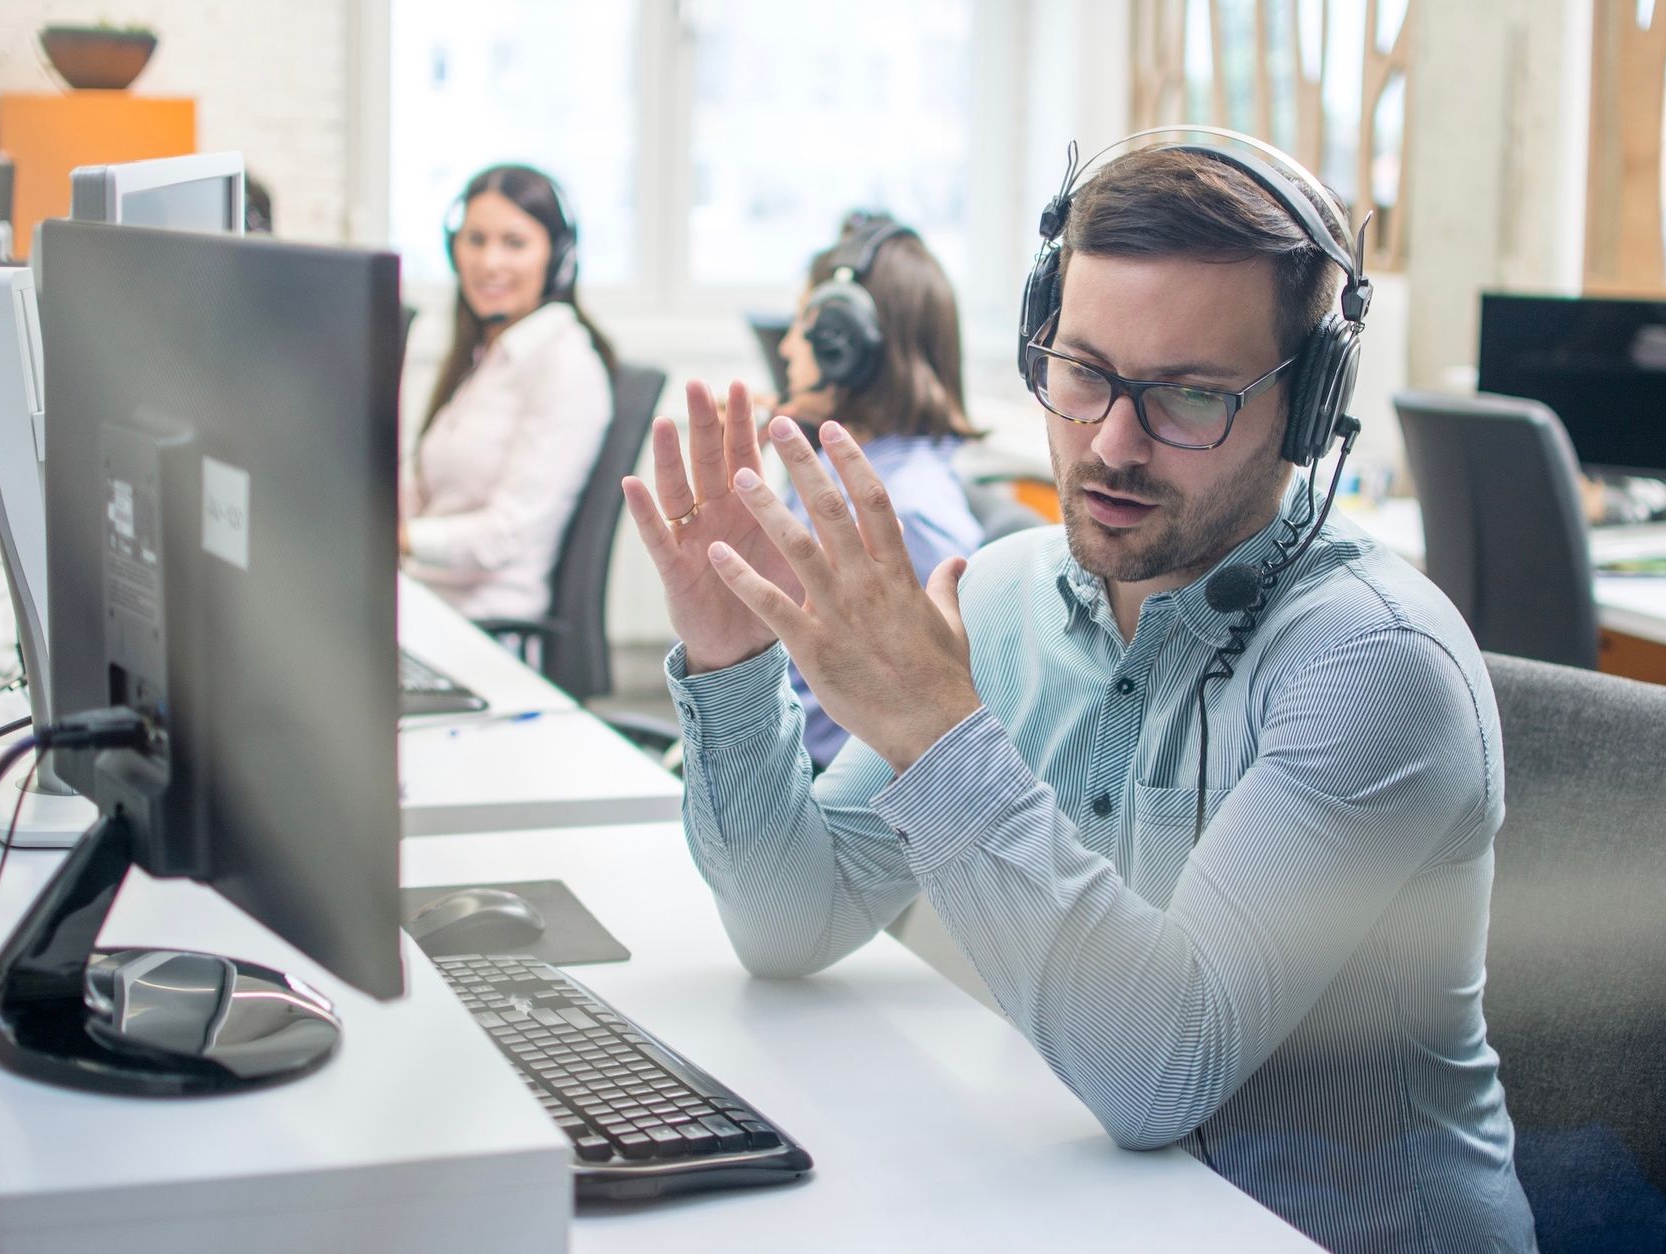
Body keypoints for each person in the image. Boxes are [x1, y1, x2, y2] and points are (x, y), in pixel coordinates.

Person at [621, 133, 1536, 1253]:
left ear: (1307, 410)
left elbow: (1159, 1074)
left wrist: (934, 730)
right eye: (1083, 371)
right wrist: (730, 659)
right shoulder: (1010, 595)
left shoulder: (1373, 667)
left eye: (1190, 396)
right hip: (1108, 1215)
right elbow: (788, 921)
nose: (1111, 444)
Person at [769, 213, 984, 767]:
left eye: (802, 326)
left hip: (837, 794)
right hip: (787, 754)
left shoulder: (907, 513)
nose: (788, 348)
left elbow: (941, 733)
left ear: (848, 343)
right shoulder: (838, 469)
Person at [401, 164, 616, 620]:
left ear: (556, 258)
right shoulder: (485, 355)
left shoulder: (566, 365)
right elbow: (428, 491)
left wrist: (400, 537)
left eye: (514, 243)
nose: (489, 262)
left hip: (483, 623)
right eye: (475, 240)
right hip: (423, 602)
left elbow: (506, 534)